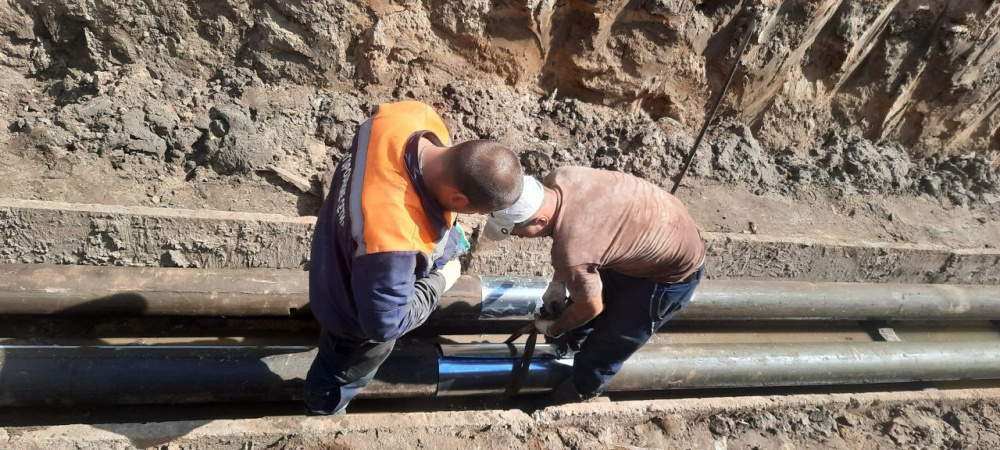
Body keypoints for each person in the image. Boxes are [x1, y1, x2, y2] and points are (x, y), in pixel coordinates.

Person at [306, 100, 523, 415]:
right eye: (470, 209)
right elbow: (385, 323)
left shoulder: (411, 117)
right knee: (340, 371)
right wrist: (440, 279)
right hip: (348, 312)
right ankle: (321, 414)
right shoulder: (394, 241)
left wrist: (444, 245)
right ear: (458, 198)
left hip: (335, 251)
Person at [484, 166, 705, 403]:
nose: (522, 238)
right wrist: (557, 284)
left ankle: (578, 392)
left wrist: (554, 329)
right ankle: (560, 358)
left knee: (607, 347)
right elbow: (570, 236)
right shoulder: (560, 178)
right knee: (576, 318)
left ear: (540, 220)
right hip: (645, 238)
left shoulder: (573, 251)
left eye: (519, 233)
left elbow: (591, 307)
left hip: (667, 276)